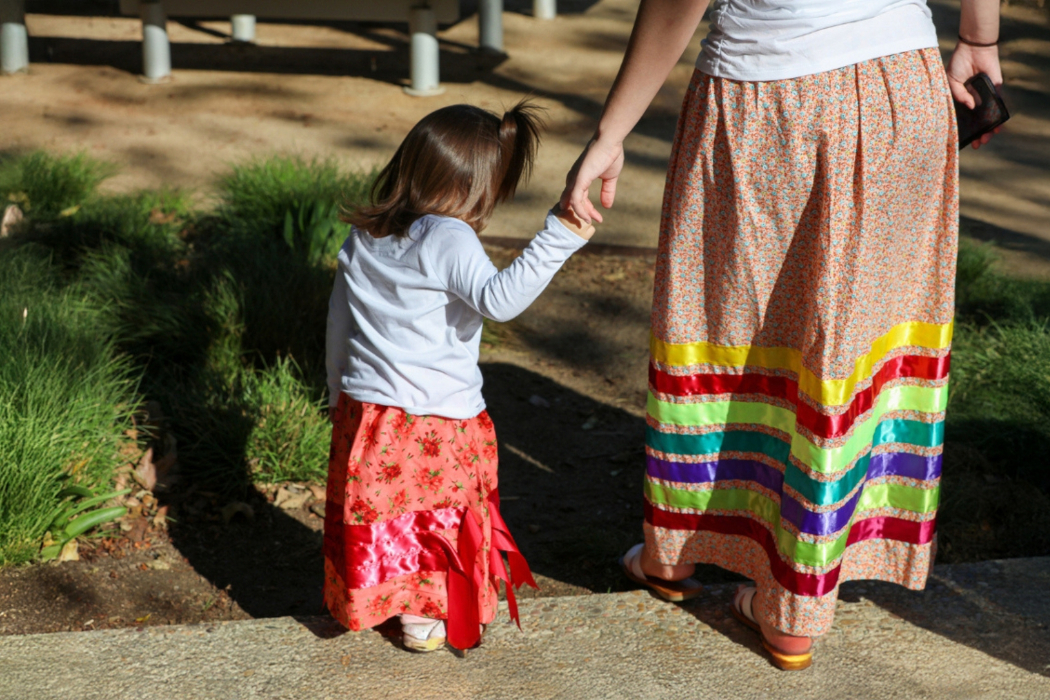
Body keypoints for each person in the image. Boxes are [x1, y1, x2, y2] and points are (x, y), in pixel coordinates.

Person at [561, 0, 1001, 671]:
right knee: (851, 351)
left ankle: (683, 557)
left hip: (772, 100)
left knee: (730, 333)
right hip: (903, 91)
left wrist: (610, 131)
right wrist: (978, 36)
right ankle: (797, 602)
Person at [324, 101, 595, 653]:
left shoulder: (364, 236)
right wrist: (560, 235)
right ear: (477, 186)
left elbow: (338, 319)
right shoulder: (447, 236)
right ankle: (424, 616)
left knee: (387, 513)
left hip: (367, 411)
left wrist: (337, 390)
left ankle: (386, 597)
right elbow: (498, 300)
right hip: (435, 418)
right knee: (436, 518)